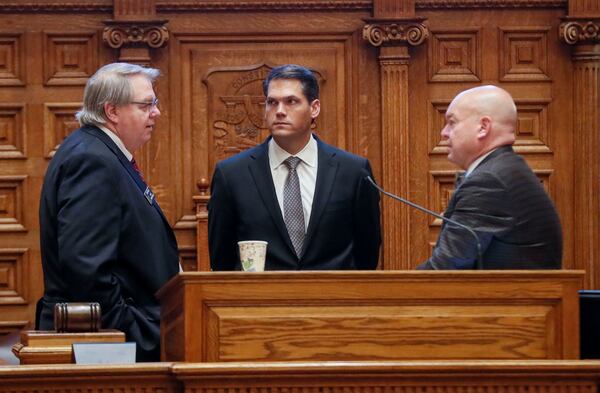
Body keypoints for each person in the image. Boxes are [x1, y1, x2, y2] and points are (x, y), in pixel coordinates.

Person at [37, 63, 180, 361]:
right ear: (112, 111)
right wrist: (136, 330)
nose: (156, 112)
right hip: (107, 344)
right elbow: (86, 268)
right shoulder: (92, 160)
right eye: (146, 105)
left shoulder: (100, 152)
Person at [209, 64, 381, 270]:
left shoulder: (353, 171)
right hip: (260, 300)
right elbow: (222, 259)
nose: (280, 111)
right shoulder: (232, 174)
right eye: (272, 102)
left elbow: (367, 251)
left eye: (291, 101)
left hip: (335, 299)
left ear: (314, 108)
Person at [417, 85, 562, 270]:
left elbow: (444, 269)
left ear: (483, 127)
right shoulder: (503, 169)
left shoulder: (489, 181)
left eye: (452, 123)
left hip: (509, 298)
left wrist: (388, 297)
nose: (444, 133)